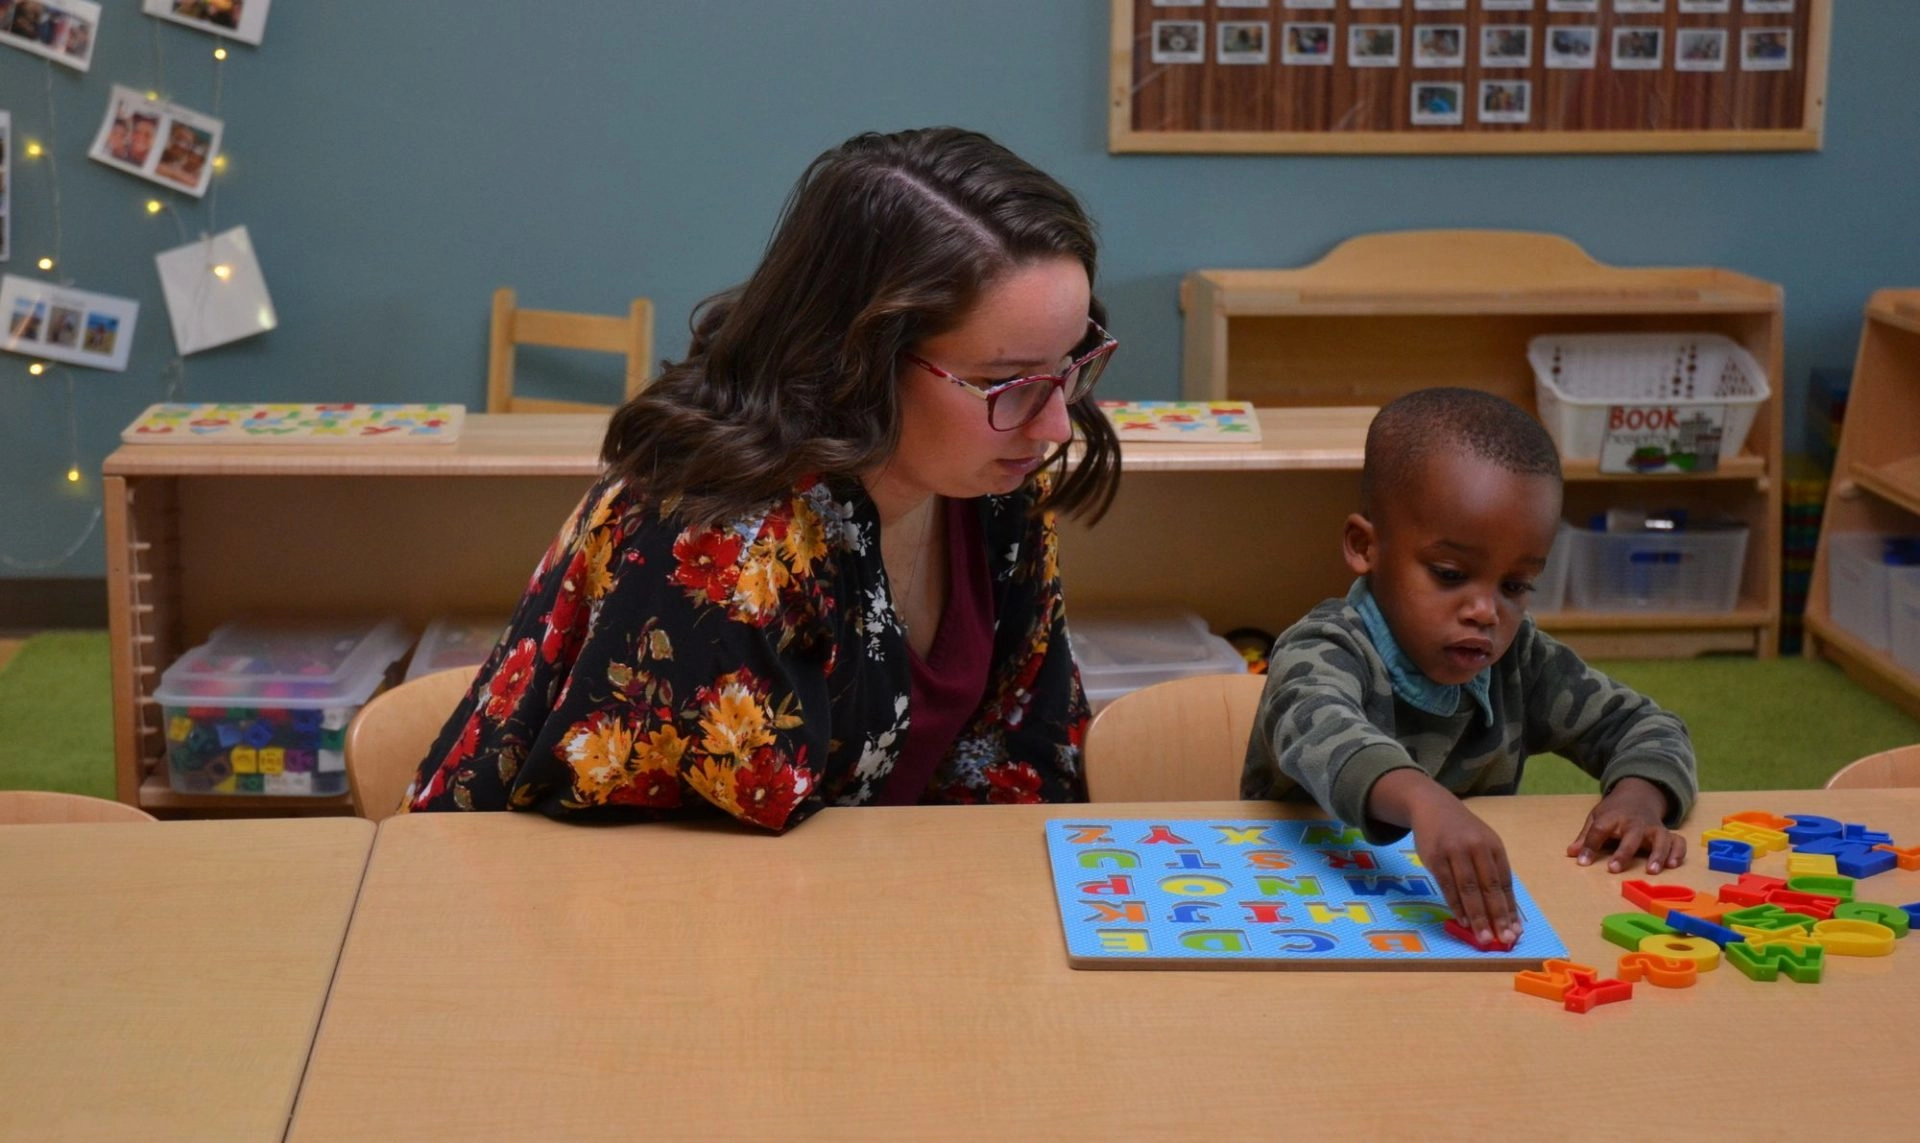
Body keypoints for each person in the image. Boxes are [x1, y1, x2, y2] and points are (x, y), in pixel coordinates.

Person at [404, 127, 1122, 829]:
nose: (1056, 423)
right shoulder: (719, 545)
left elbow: (1021, 769)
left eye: (1072, 365)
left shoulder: (992, 491)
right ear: (861, 357)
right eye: (1008, 382)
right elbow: (708, 890)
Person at [1241, 388, 1697, 948]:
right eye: (1450, 574)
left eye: (1515, 586)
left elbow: (1646, 726)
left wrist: (1638, 797)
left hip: (1447, 920)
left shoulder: (1520, 660)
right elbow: (1322, 728)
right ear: (1366, 546)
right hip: (1293, 910)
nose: (1485, 611)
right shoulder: (1324, 645)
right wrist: (1425, 801)